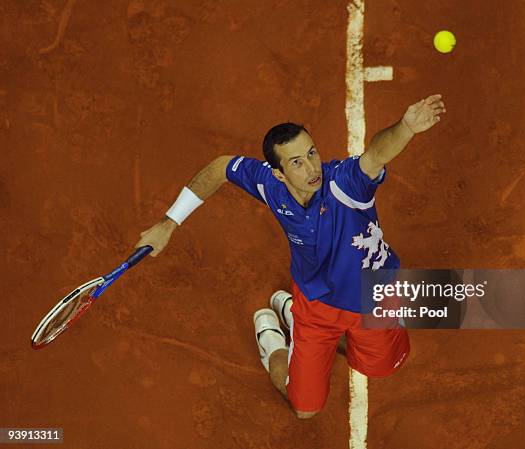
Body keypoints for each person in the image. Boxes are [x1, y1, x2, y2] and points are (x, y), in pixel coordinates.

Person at [136, 94, 446, 418]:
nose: (312, 168)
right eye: (296, 162)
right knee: (305, 410)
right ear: (279, 173)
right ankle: (275, 343)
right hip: (316, 305)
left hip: (374, 296)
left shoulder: (345, 183)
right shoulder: (270, 187)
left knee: (379, 367)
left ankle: (290, 314)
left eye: (312, 153)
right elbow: (220, 167)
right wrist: (168, 223)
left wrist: (406, 128)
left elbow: (376, 154)